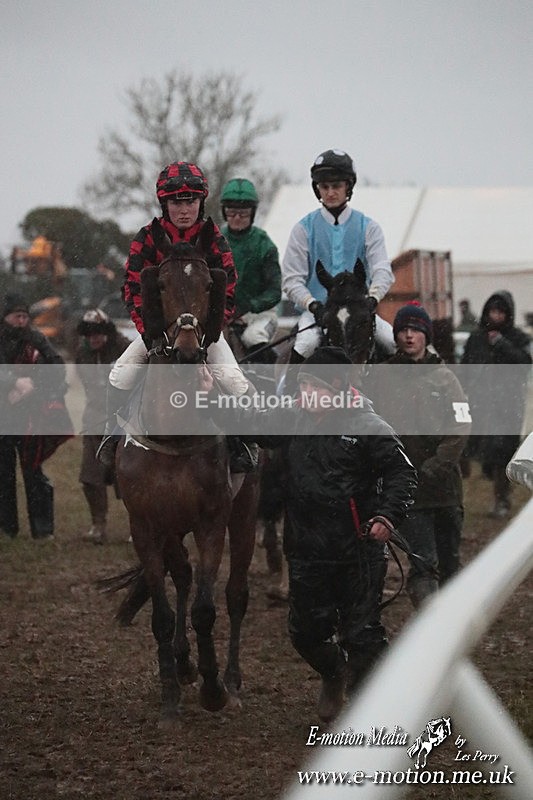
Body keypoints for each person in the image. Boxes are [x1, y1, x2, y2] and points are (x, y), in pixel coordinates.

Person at [208, 345, 417, 722]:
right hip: (306, 549)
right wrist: (211, 397)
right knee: (305, 633)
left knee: (362, 635)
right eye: (303, 386)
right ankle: (333, 673)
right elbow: (249, 424)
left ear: (338, 388)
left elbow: (403, 473)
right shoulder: (292, 417)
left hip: (359, 550)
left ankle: (372, 711)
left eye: (314, 387)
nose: (306, 394)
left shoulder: (368, 426)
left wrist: (387, 516)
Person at [99, 161, 256, 472]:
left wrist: (209, 334)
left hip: (204, 334)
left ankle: (243, 444)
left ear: (201, 202)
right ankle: (113, 435)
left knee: (236, 383)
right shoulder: (146, 238)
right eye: (176, 203)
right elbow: (132, 289)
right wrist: (150, 334)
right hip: (157, 333)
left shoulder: (214, 239)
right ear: (164, 204)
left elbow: (228, 289)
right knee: (120, 375)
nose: (184, 210)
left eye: (191, 202)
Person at [368, 303, 471, 607]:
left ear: (426, 335)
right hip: (408, 492)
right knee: (423, 562)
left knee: (450, 562)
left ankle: (453, 618)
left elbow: (462, 424)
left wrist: (439, 464)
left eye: (415, 330)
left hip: (445, 489)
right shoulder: (381, 378)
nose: (409, 336)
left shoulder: (446, 378)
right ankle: (431, 622)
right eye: (403, 330)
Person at [282, 149, 396, 363]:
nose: (330, 192)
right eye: (324, 187)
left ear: (348, 187)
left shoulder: (369, 228)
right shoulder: (302, 229)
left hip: (360, 310)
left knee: (391, 341)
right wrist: (312, 305)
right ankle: (287, 384)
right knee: (305, 344)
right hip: (319, 312)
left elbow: (382, 270)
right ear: (317, 189)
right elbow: (291, 279)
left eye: (336, 186)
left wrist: (373, 298)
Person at [0, 293, 71, 541]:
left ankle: (42, 530)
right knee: (3, 474)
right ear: (5, 317)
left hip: (30, 416)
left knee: (34, 472)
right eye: (16, 316)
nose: (21, 321)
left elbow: (57, 368)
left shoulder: (36, 338)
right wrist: (12, 382)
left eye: (24, 316)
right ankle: (6, 528)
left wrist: (33, 386)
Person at [461, 290, 531, 518]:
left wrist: (502, 345)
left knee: (502, 452)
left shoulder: (518, 339)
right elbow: (466, 368)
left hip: (507, 405)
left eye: (501, 312)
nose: (496, 316)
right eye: (493, 311)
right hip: (481, 404)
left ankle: (502, 499)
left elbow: (525, 362)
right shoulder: (476, 339)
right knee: (480, 454)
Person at [75, 309, 131, 544]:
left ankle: (137, 527)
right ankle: (98, 525)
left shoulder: (124, 349)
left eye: (98, 333)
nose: (94, 338)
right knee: (90, 477)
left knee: (130, 478)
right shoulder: (82, 354)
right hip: (95, 422)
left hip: (124, 423)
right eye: (89, 334)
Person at [221, 178, 281, 362]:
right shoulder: (214, 241)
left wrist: (248, 306)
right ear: (224, 212)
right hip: (221, 312)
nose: (237, 217)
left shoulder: (265, 245)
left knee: (253, 336)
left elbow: (275, 292)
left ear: (253, 213)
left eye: (243, 213)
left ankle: (268, 375)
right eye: (231, 212)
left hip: (259, 315)